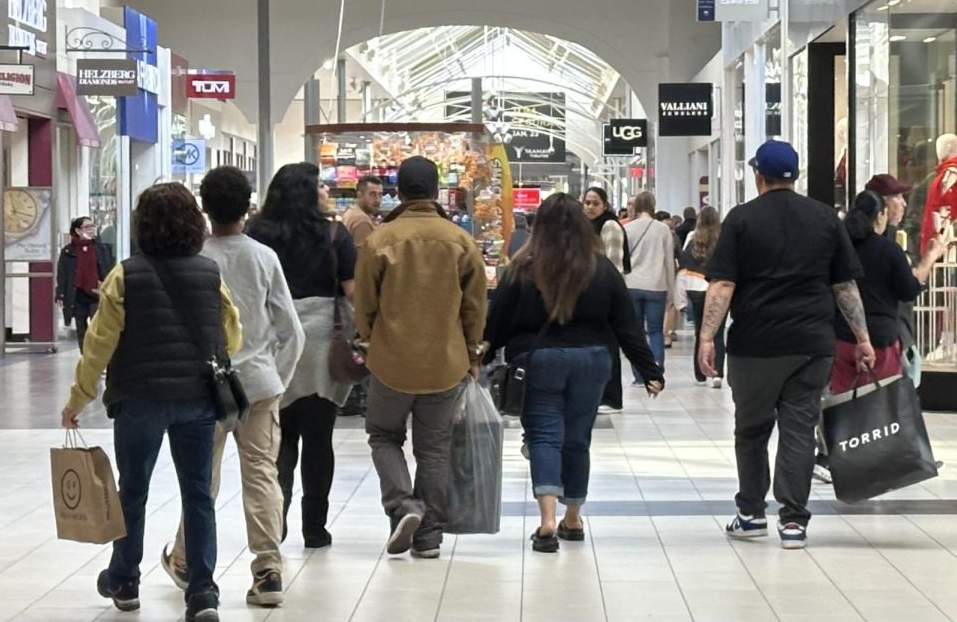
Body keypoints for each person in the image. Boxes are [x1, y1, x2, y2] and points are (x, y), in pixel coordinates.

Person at [61, 183, 242, 621]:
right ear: (193, 224)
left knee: (133, 491)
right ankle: (202, 591)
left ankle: (124, 579)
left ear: (142, 225)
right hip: (197, 399)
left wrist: (78, 398)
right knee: (198, 493)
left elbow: (99, 343)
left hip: (138, 398)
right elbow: (232, 335)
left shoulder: (126, 274)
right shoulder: (209, 273)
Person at [698, 140, 875, 550]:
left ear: (759, 175)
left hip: (755, 345)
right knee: (798, 431)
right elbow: (844, 286)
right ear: (794, 176)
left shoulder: (741, 220)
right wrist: (863, 338)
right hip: (812, 343)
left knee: (752, 430)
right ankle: (793, 523)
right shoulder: (825, 218)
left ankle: (751, 514)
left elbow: (723, 283)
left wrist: (707, 337)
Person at [485, 194, 664, 553]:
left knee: (544, 438)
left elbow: (497, 322)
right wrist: (648, 369)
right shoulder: (600, 268)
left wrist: (479, 353)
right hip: (592, 360)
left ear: (539, 227)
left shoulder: (522, 268)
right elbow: (626, 323)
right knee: (578, 439)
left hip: (539, 361)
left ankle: (547, 521)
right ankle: (573, 518)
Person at [162, 167, 305, 608]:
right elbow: (292, 332)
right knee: (261, 474)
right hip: (259, 385)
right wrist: (275, 377)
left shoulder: (192, 260)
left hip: (203, 388)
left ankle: (187, 559)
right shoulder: (263, 257)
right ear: (248, 206)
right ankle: (268, 571)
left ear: (204, 207)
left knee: (201, 477)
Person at [355, 156, 487, 559]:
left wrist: (369, 340)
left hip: (391, 361)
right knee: (434, 450)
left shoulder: (381, 239)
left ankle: (402, 505)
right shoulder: (461, 241)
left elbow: (365, 305)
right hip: (445, 363)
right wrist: (471, 353)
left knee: (383, 435)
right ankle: (428, 535)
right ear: (436, 192)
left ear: (398, 192)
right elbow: (475, 306)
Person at [246, 163, 356, 549]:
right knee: (319, 436)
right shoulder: (333, 233)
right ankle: (315, 526)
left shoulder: (256, 233)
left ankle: (277, 519)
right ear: (308, 192)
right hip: (321, 343)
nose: (326, 191)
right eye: (320, 185)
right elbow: (352, 291)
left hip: (272, 338)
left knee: (278, 436)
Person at [833, 190, 948, 394]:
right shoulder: (889, 250)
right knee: (883, 403)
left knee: (843, 400)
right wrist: (930, 257)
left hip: (843, 337)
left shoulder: (841, 247)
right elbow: (908, 290)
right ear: (880, 216)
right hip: (881, 340)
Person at [582, 187, 630, 415]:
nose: (590, 207)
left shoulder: (609, 226)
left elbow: (613, 264)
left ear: (605, 205)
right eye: (587, 202)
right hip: (591, 292)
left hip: (606, 294)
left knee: (610, 345)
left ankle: (612, 398)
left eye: (595, 203)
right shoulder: (588, 227)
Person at [623, 191, 676, 372]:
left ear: (636, 207)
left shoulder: (628, 229)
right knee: (655, 331)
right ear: (653, 206)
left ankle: (639, 374)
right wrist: (671, 290)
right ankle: (656, 369)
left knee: (636, 333)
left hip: (632, 285)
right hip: (656, 285)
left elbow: (623, 262)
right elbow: (669, 262)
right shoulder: (663, 230)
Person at [676, 206, 723, 386]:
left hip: (696, 288)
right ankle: (717, 372)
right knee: (717, 332)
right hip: (717, 288)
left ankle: (700, 372)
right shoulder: (722, 239)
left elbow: (685, 263)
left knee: (700, 332)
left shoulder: (693, 238)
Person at [56, 215, 114, 349]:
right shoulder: (68, 251)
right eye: (87, 227)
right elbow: (63, 274)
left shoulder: (101, 248)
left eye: (92, 226)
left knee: (97, 327)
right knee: (81, 327)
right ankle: (85, 354)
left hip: (96, 293)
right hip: (77, 294)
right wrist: (60, 294)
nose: (91, 230)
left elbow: (107, 269)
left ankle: (96, 354)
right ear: (77, 231)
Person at [342, 175, 384, 247]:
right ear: (359, 196)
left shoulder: (352, 210)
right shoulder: (362, 220)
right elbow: (364, 256)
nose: (378, 200)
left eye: (380, 195)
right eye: (372, 194)